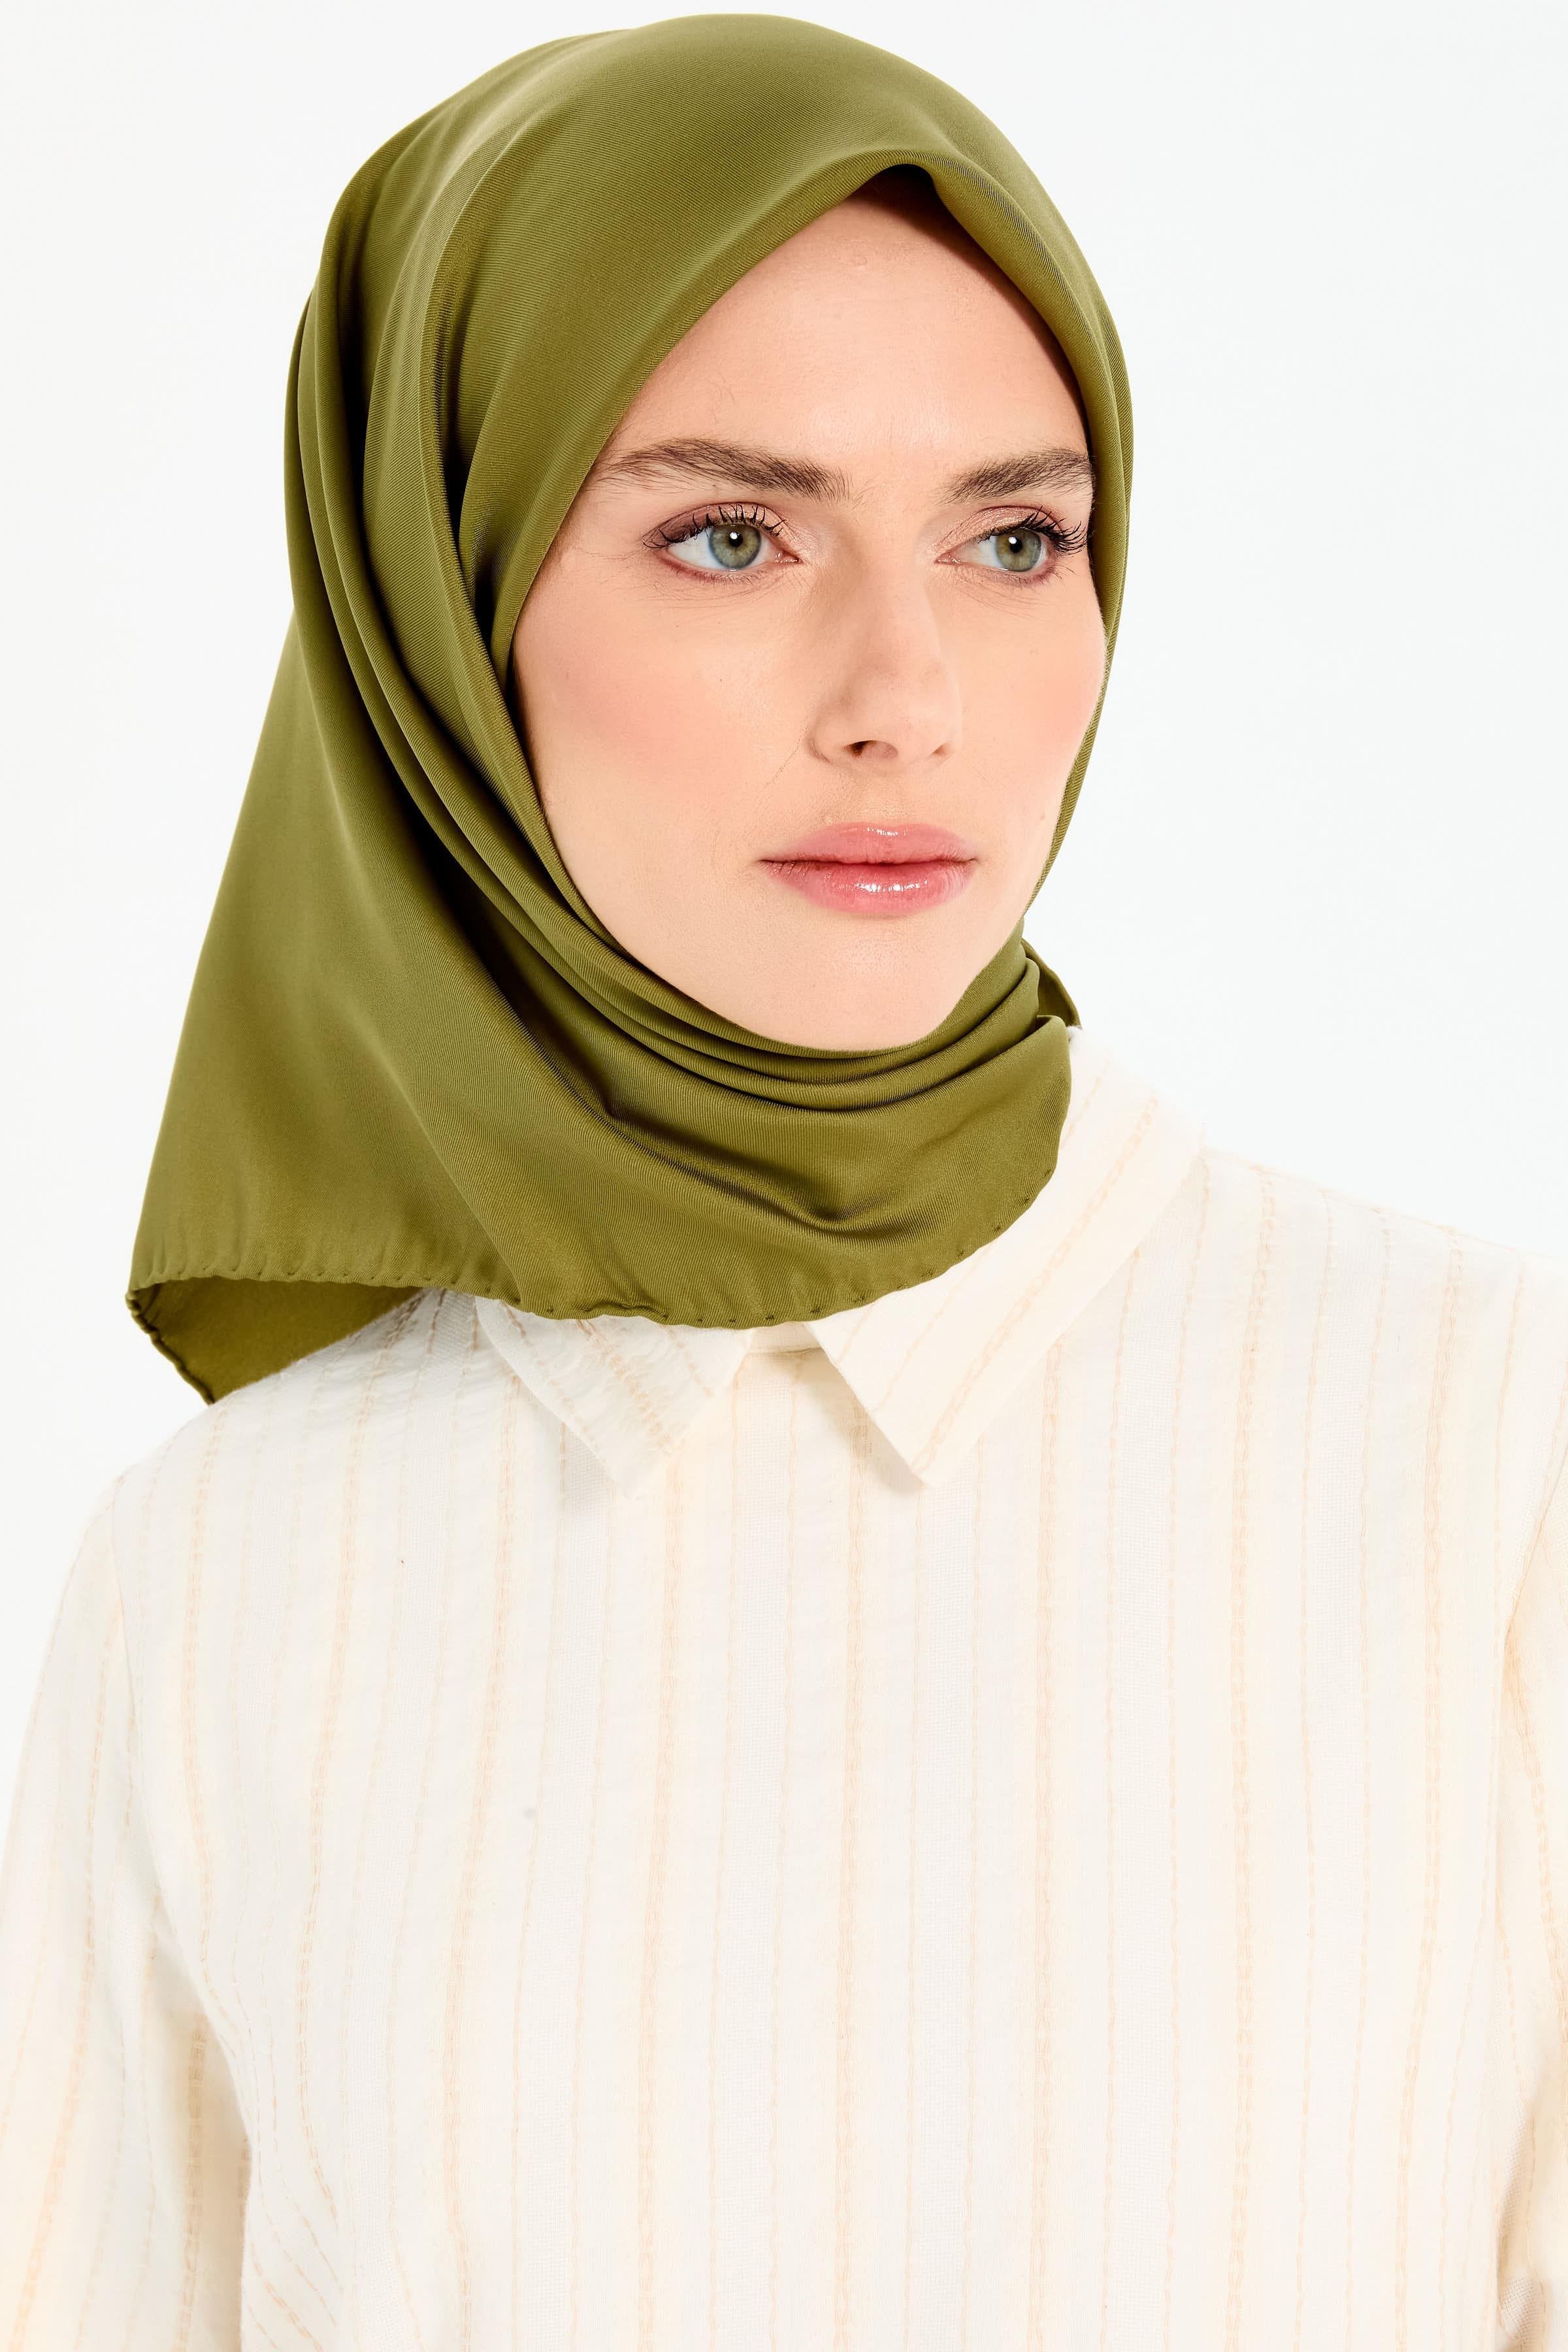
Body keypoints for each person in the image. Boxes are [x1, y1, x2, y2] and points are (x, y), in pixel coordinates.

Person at [1, 15, 1564, 2348]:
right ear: (443, 603)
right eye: (730, 536)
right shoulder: (225, 1575)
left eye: (1014, 539)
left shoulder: (1489, 1436)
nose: (907, 693)